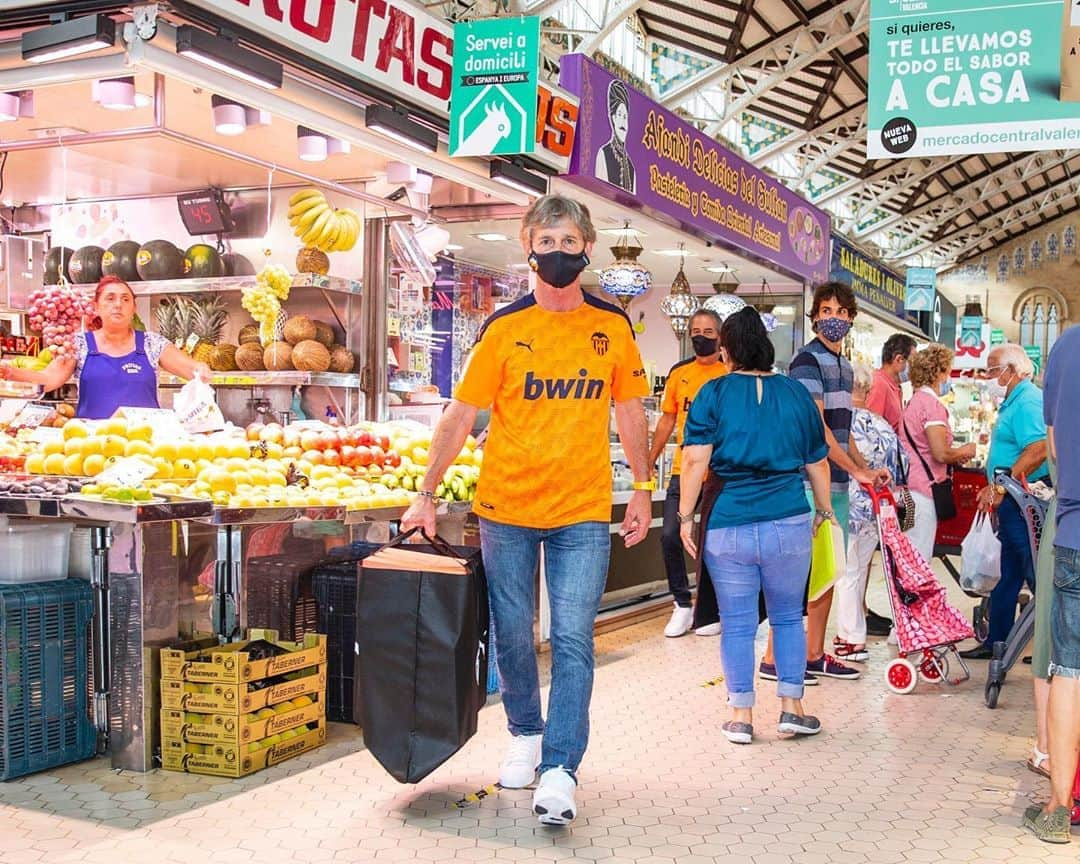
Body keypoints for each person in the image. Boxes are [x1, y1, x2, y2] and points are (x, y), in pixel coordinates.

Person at [401, 194, 651, 827]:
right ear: (528, 246)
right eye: (548, 243)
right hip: (505, 507)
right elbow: (462, 414)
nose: (559, 254)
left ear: (588, 248)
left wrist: (644, 486)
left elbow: (628, 412)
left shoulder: (612, 327)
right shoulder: (504, 329)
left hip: (582, 509)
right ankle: (525, 733)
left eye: (571, 244)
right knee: (512, 633)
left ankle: (562, 766)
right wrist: (425, 492)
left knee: (570, 637)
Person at [678, 308, 833, 743]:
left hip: (729, 523)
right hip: (788, 520)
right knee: (787, 617)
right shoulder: (796, 393)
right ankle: (792, 708)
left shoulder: (715, 392)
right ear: (768, 349)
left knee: (738, 623)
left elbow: (694, 460)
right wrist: (823, 510)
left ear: (726, 351)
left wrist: (686, 516)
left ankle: (741, 716)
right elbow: (817, 462)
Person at [760, 282, 889, 684]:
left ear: (851, 318)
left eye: (841, 311)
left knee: (828, 571)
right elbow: (817, 430)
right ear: (815, 316)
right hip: (807, 484)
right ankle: (773, 660)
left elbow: (842, 428)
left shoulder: (846, 368)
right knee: (799, 574)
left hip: (836, 488)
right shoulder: (806, 362)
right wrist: (857, 471)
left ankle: (814, 654)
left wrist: (865, 467)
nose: (833, 318)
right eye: (826, 310)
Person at [0, 275, 210, 417]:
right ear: (96, 307)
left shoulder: (152, 343)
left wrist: (200, 369)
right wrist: (9, 372)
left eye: (125, 299)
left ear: (133, 308)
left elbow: (190, 368)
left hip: (145, 446)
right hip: (91, 445)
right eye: (110, 298)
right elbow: (47, 379)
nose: (118, 304)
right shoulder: (79, 344)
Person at [1025, 326, 1080, 844]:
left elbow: (1057, 446)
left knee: (1070, 670)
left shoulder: (1065, 346)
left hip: (1075, 532)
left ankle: (1060, 808)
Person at [963, 343, 1049, 661]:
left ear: (1012, 371)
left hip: (1024, 500)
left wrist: (1001, 484)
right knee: (1009, 572)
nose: (988, 376)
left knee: (1032, 570)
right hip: (1012, 499)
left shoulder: (1027, 401)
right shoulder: (1014, 401)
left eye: (992, 369)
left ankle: (1047, 646)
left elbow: (1038, 448)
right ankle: (998, 641)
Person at [649, 308, 727, 637]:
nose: (701, 337)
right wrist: (650, 456)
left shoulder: (729, 374)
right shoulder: (679, 374)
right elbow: (667, 418)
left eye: (709, 332)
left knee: (712, 542)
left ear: (720, 337)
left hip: (718, 475)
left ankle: (712, 609)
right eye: (696, 330)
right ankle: (681, 603)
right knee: (669, 535)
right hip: (683, 471)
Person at [834, 362, 909, 662]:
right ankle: (852, 633)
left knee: (847, 574)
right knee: (859, 569)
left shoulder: (841, 425)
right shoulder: (882, 425)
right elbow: (902, 466)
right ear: (866, 390)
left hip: (846, 505)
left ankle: (852, 638)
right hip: (877, 508)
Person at [900, 344, 976, 563]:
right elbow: (940, 453)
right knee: (919, 558)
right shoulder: (931, 406)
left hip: (909, 489)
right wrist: (964, 450)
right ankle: (917, 597)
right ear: (939, 372)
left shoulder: (913, 403)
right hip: (923, 492)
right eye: (947, 371)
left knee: (910, 555)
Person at [867, 333, 917, 434]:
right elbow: (870, 428)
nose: (916, 367)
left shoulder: (895, 387)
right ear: (899, 359)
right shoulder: (879, 383)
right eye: (913, 362)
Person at [595, 79, 635, 193]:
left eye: (625, 117)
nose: (623, 121)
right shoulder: (603, 154)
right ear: (613, 118)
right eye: (619, 114)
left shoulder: (631, 168)